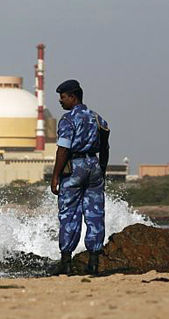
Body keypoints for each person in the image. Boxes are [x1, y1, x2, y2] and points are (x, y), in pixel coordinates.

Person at [50, 79, 109, 275]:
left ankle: (66, 263)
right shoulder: (98, 119)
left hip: (74, 168)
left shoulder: (68, 120)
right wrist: (102, 170)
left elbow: (63, 149)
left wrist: (55, 176)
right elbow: (105, 148)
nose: (60, 100)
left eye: (62, 97)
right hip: (93, 166)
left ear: (73, 97)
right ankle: (94, 262)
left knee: (69, 214)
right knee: (95, 214)